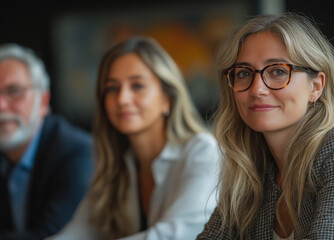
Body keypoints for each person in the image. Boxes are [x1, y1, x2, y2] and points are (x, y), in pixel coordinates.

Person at [196, 12, 334, 240]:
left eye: (278, 71)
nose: (257, 89)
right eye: (244, 73)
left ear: (316, 86)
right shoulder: (251, 172)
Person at [47, 36, 220, 240]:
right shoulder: (114, 164)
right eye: (112, 88)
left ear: (167, 99)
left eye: (137, 86)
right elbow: (77, 233)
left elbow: (179, 234)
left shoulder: (203, 151)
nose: (122, 99)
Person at [0, 43, 94, 240]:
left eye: (13, 91)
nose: (0, 106)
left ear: (43, 101)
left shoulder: (77, 153)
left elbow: (51, 236)